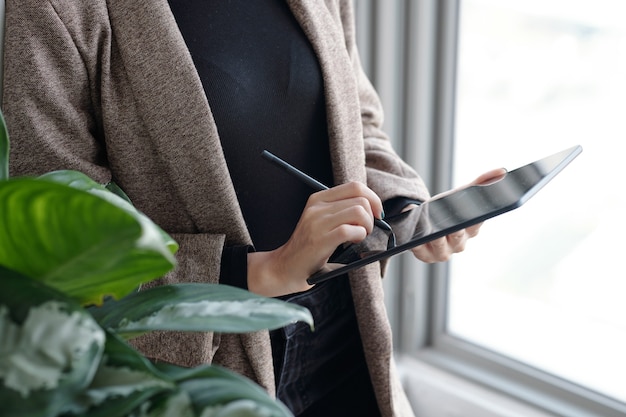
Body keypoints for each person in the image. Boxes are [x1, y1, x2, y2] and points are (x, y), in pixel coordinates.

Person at [2, 1, 503, 416]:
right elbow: (57, 244)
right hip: (201, 364)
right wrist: (263, 272)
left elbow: (357, 120)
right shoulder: (56, 9)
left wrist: (408, 211)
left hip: (343, 323)